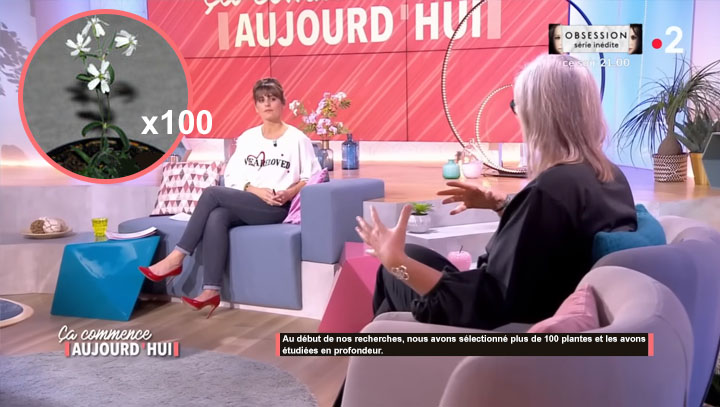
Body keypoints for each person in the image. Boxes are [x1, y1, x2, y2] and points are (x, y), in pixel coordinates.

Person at [358, 54, 637, 331]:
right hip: (544, 299)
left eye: (517, 106)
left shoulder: (552, 189)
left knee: (393, 272)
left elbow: (489, 303)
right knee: (414, 253)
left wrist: (397, 262)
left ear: (537, 115)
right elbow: (553, 249)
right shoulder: (611, 176)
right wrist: (505, 208)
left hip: (506, 324)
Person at [139, 78, 320, 318]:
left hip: (277, 207)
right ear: (255, 107)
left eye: (273, 98)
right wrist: (254, 189)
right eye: (261, 100)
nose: (267, 104)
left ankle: (177, 257)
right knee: (218, 215)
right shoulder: (248, 138)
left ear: (282, 103)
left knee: (212, 193)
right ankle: (211, 290)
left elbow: (311, 177)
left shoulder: (297, 139)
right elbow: (233, 175)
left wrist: (289, 192)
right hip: (251, 200)